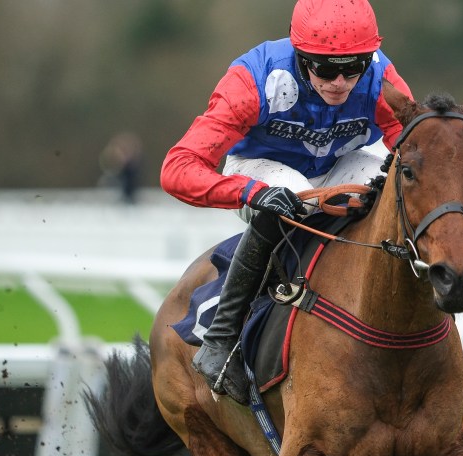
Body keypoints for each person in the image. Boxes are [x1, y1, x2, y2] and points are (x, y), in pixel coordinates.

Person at [160, 0, 414, 404]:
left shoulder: (381, 75)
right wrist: (251, 192)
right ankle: (221, 341)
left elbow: (413, 147)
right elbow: (177, 168)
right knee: (294, 197)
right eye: (326, 69)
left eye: (354, 68)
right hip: (258, 167)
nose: (341, 82)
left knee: (395, 191)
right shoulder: (253, 78)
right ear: (299, 56)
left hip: (338, 164)